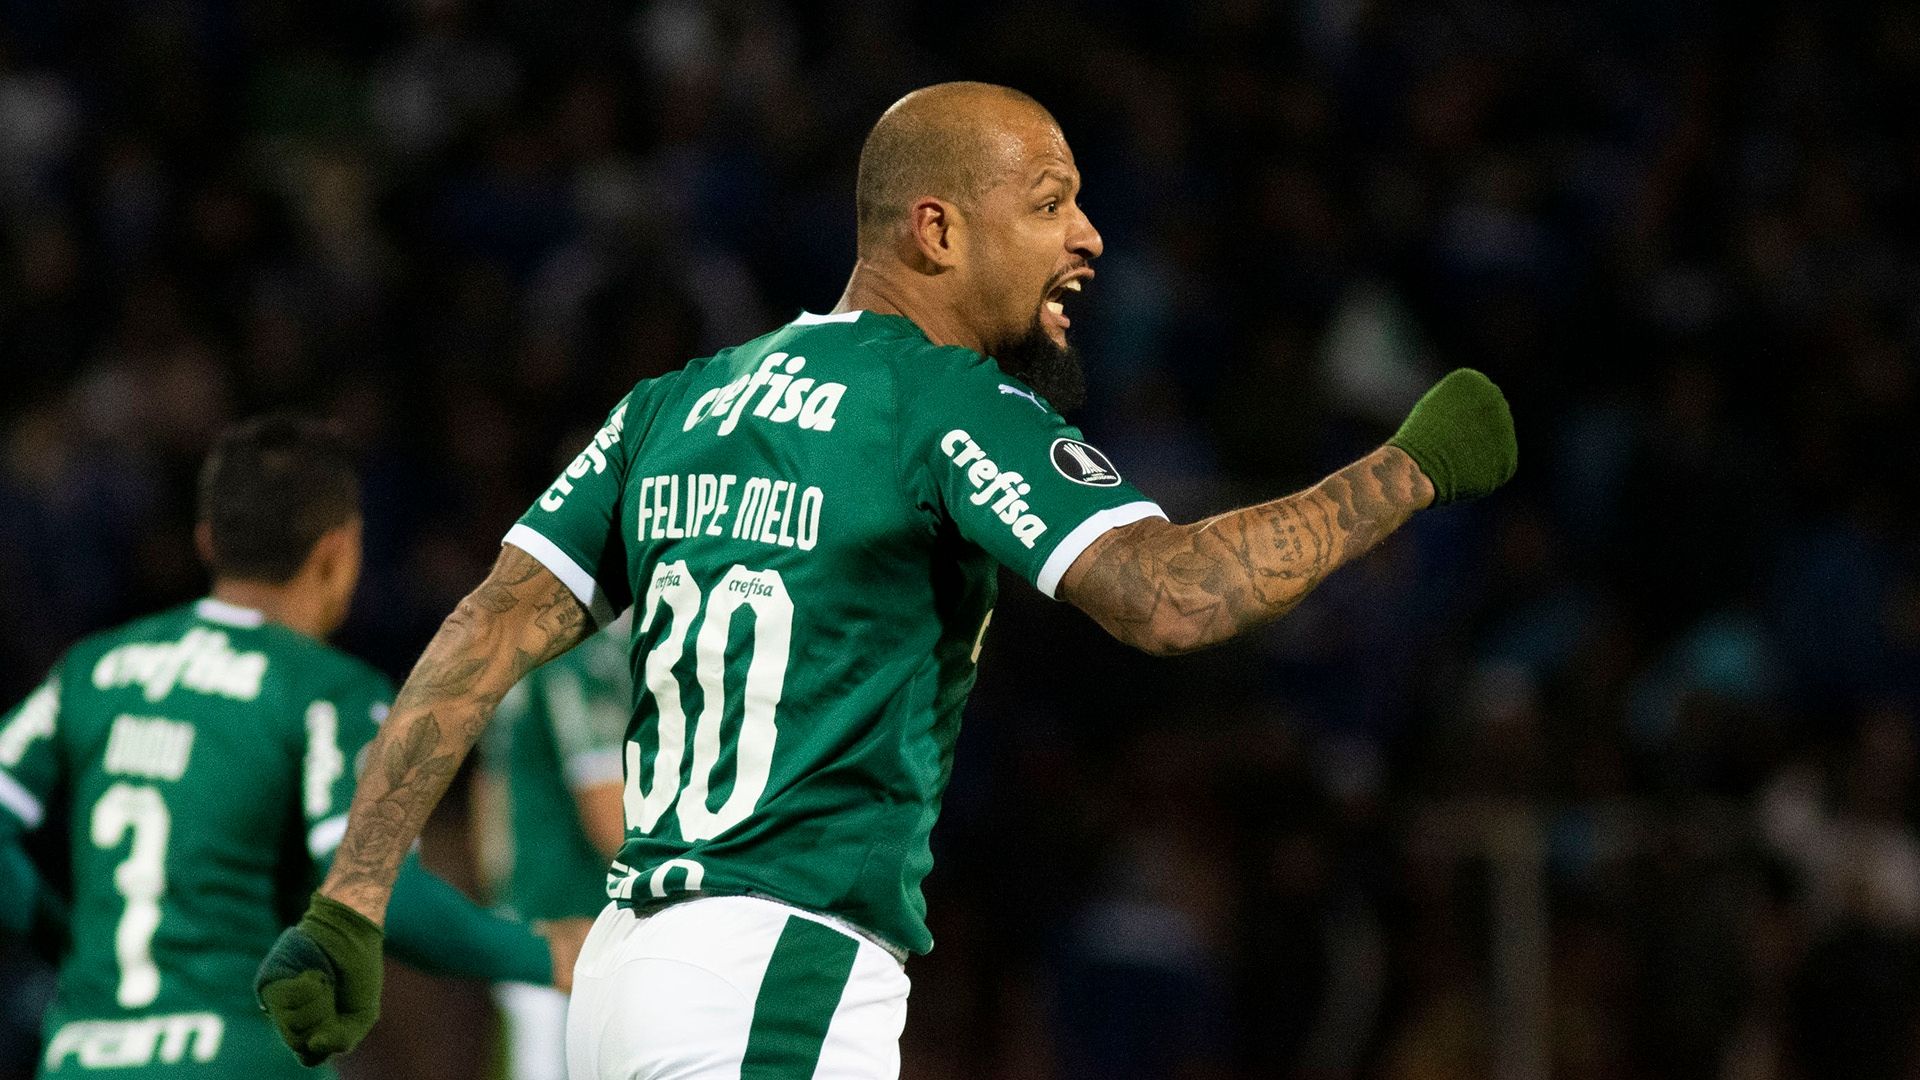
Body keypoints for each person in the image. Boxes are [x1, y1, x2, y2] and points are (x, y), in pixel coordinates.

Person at [260, 81, 1517, 1078]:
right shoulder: (939, 400)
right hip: (776, 971)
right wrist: (1411, 469)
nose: (1088, 235)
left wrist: (352, 901)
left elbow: (485, 630)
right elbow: (1172, 594)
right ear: (938, 229)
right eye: (1050, 203)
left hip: (627, 981)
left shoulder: (673, 407)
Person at [0, 415, 584, 1078]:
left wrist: (69, 938)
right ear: (339, 553)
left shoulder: (92, 671)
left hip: (82, 1054)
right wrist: (545, 954)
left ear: (207, 540)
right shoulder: (324, 692)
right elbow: (378, 891)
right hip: (236, 1054)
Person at [476, 613, 632, 1080]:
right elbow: (609, 817)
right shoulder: (587, 657)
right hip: (579, 926)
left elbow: (488, 792)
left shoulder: (526, 645)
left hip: (528, 918)